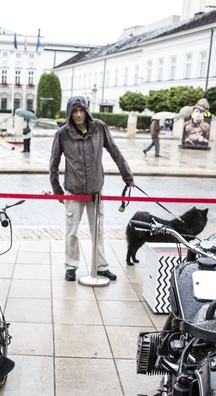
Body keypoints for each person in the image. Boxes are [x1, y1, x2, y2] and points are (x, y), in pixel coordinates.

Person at [48, 95, 135, 282]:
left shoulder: (99, 128)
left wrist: (127, 176)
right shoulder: (62, 134)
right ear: (69, 113)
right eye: (74, 111)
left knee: (98, 230)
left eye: (81, 111)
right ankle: (71, 266)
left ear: (86, 111)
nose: (78, 115)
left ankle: (101, 267)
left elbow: (115, 152)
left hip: (95, 190)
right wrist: (58, 192)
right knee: (71, 231)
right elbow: (53, 164)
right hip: (73, 190)